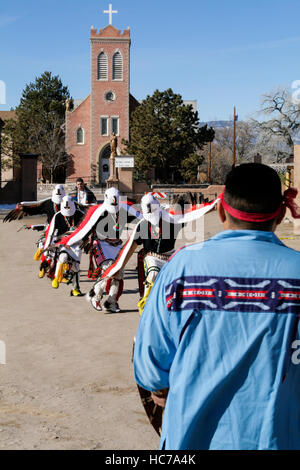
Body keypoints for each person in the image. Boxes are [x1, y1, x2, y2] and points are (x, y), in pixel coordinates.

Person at [133, 163, 300, 450]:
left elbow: (150, 369)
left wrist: (162, 388)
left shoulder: (182, 268)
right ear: (282, 213)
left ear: (221, 211)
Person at [101, 193, 218, 315]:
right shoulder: (142, 225)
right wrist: (120, 265)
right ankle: (146, 303)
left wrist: (213, 207)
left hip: (170, 257)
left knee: (179, 281)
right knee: (153, 274)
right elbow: (130, 248)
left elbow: (193, 214)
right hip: (151, 257)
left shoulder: (173, 220)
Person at [60, 187, 141, 312]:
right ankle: (96, 297)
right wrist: (70, 241)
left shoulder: (125, 210)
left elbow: (142, 218)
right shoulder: (98, 212)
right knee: (109, 270)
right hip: (101, 244)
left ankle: (111, 302)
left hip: (117, 245)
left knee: (118, 274)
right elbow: (84, 228)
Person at [43, 195, 85, 296]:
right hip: (63, 243)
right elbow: (50, 233)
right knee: (62, 257)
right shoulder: (57, 216)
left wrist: (87, 242)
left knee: (76, 267)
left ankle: (75, 289)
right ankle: (57, 278)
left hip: (76, 244)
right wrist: (47, 248)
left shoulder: (81, 215)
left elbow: (87, 229)